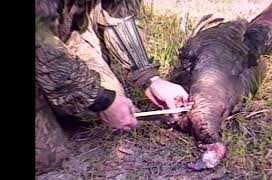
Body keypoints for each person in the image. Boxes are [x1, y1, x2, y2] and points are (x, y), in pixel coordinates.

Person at [35, 0, 189, 174]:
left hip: (62, 34)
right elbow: (41, 47)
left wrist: (150, 79)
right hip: (40, 43)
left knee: (97, 107)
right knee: (45, 158)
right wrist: (101, 100)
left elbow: (118, 12)